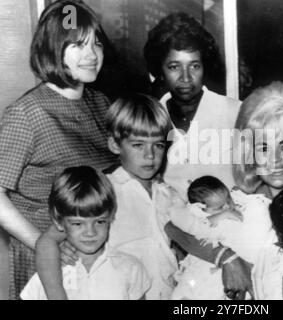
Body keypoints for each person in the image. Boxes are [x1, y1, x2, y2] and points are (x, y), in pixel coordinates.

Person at [165, 82, 283, 299]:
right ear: (249, 151)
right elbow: (174, 227)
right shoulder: (239, 198)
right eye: (263, 147)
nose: (274, 159)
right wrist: (227, 259)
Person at [0, 0, 118, 299]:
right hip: (48, 261)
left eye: (96, 43)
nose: (92, 55)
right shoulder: (27, 113)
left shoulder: (100, 103)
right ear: (53, 49)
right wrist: (45, 244)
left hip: (98, 251)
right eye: (78, 45)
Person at [36, 93, 182, 299]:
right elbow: (46, 242)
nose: (150, 155)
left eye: (158, 145)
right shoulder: (104, 189)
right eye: (138, 145)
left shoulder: (168, 194)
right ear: (115, 145)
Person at [143, 12, 242, 199]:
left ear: (205, 67)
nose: (186, 77)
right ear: (160, 71)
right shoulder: (149, 120)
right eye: (174, 67)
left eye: (194, 66)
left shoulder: (235, 113)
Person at [21, 166, 150, 300]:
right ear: (58, 222)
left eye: (100, 221)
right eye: (78, 224)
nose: (90, 232)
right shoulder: (49, 272)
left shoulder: (131, 268)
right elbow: (45, 242)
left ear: (111, 216)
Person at [170, 175, 269, 300]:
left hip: (228, 274)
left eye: (228, 200)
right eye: (220, 207)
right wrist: (223, 215)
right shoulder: (202, 219)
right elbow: (198, 224)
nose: (227, 207)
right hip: (203, 267)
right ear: (200, 209)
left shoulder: (242, 209)